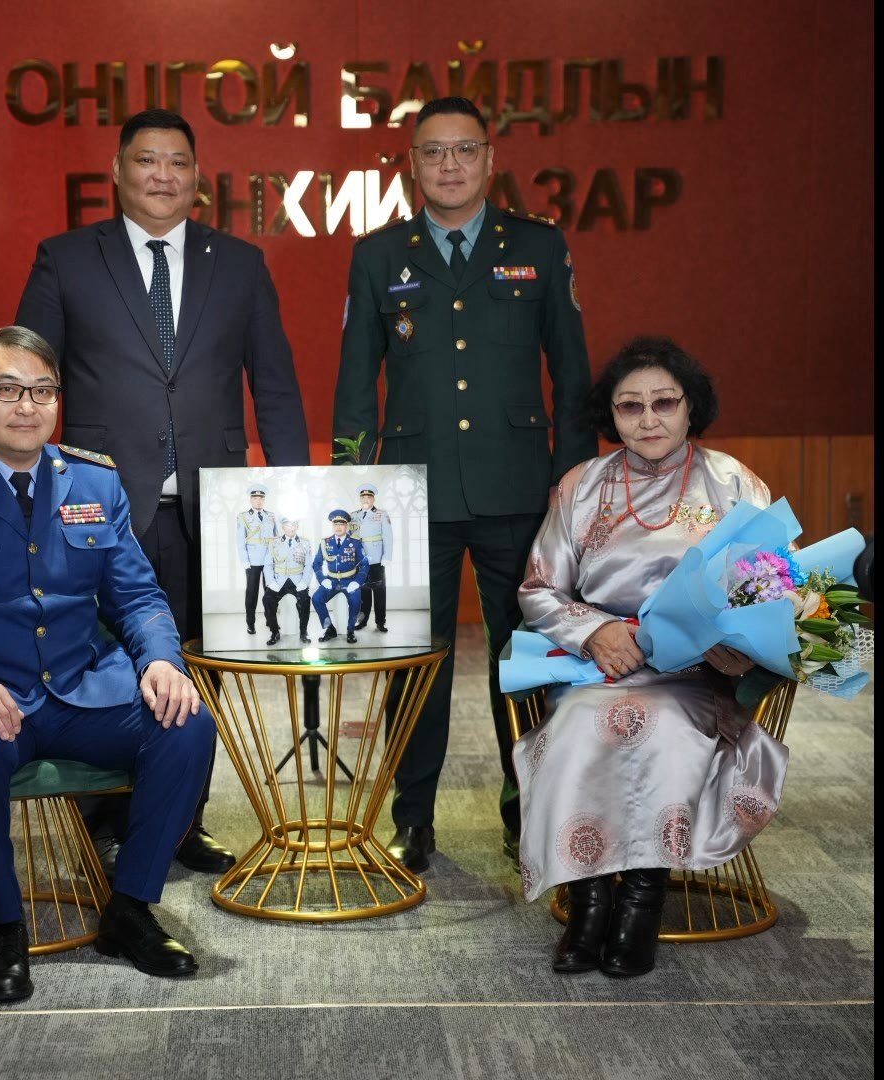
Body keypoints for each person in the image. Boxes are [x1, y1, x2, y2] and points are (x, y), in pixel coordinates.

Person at [0, 326, 216, 1004]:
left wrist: (162, 660)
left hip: (83, 689)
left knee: (187, 723)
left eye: (42, 391)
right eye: (7, 389)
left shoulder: (95, 480)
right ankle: (3, 927)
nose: (26, 406)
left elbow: (137, 595)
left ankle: (131, 909)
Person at [16, 107, 310, 875]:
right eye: (147, 160)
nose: (162, 175)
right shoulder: (67, 259)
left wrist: (293, 500)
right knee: (104, 663)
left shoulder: (238, 263)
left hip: (213, 509)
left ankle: (182, 820)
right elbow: (28, 381)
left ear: (197, 176)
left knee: (198, 667)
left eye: (178, 162)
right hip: (99, 508)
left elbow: (275, 385)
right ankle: (106, 821)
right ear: (117, 171)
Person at [333, 95, 596, 872]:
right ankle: (413, 818)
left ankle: (529, 809)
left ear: (489, 158)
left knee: (526, 659)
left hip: (520, 488)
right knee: (418, 663)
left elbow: (572, 370)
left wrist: (573, 476)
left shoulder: (538, 246)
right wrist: (353, 482)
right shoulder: (380, 254)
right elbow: (356, 383)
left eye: (464, 149)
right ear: (412, 164)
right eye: (433, 151)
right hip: (413, 494)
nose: (449, 165)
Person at [512, 336, 789, 978]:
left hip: (696, 675)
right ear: (611, 415)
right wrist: (595, 631)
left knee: (659, 729)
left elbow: (777, 583)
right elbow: (538, 588)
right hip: (602, 667)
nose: (648, 419)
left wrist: (731, 638)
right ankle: (589, 906)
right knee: (576, 728)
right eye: (630, 406)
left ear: (691, 407)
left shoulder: (734, 482)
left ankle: (640, 904)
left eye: (665, 402)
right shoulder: (583, 484)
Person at [310, 509, 368, 644]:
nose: (338, 527)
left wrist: (357, 582)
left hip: (350, 580)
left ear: (346, 525)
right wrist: (322, 579)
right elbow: (317, 563)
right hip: (331, 580)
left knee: (355, 601)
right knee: (316, 598)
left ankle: (351, 630)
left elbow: (365, 564)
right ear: (333, 525)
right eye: (336, 524)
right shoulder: (325, 542)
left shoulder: (355, 542)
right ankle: (330, 629)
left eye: (341, 524)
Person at [261, 516, 314, 646]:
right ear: (283, 527)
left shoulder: (305, 543)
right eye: (287, 525)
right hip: (279, 581)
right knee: (267, 599)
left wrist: (305, 582)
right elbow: (268, 565)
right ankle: (274, 632)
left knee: (305, 600)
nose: (290, 528)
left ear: (297, 526)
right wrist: (271, 582)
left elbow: (308, 565)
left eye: (293, 525)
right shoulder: (274, 543)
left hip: (297, 580)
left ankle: (303, 632)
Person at [348, 484, 393, 633]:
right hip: (359, 560)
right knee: (363, 592)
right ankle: (362, 621)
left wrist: (387, 556)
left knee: (379, 591)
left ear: (373, 499)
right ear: (360, 499)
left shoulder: (381, 514)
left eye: (369, 497)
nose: (366, 499)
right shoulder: (353, 516)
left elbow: (388, 537)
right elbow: (350, 537)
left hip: (376, 558)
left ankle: (380, 622)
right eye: (363, 497)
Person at [236, 485, 277, 634]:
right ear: (251, 500)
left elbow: (276, 537)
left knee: (270, 592)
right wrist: (244, 560)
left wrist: (277, 558)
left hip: (269, 560)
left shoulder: (271, 516)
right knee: (252, 593)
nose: (258, 501)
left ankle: (270, 620)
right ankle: (250, 623)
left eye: (261, 498)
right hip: (252, 561)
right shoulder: (243, 517)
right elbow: (240, 541)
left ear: (264, 500)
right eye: (255, 498)